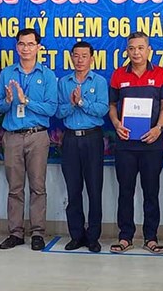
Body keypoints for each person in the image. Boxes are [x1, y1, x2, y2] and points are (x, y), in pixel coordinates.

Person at [108, 31, 163, 255]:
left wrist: (159, 128)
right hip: (125, 144)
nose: (136, 52)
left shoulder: (162, 74)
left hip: (151, 144)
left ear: (148, 50)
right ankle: (125, 237)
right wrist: (116, 123)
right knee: (125, 191)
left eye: (140, 48)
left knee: (151, 191)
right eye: (132, 48)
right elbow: (113, 105)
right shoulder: (118, 75)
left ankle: (151, 238)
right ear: (127, 51)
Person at [0, 28, 58, 251]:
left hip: (37, 136)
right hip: (12, 136)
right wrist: (9, 100)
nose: (26, 48)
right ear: (16, 46)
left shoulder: (48, 75)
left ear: (39, 47)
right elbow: (0, 105)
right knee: (15, 188)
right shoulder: (7, 73)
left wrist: (26, 100)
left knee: (38, 187)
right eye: (22, 44)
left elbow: (52, 108)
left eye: (31, 44)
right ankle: (15, 232)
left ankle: (38, 232)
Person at [56, 41, 109, 253]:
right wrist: (71, 104)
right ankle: (76, 235)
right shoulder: (64, 82)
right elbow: (58, 113)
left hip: (92, 139)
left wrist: (81, 103)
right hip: (70, 140)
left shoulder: (100, 81)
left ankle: (93, 237)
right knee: (73, 189)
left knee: (94, 189)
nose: (80, 60)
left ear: (91, 58)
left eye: (84, 56)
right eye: (76, 56)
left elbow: (102, 109)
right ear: (71, 58)